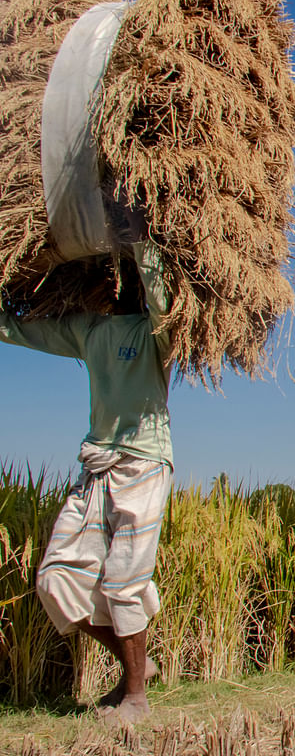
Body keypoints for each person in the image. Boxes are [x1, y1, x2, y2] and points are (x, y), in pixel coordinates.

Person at [1, 241, 171, 724]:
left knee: (123, 583)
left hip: (144, 466)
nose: (125, 284)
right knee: (56, 579)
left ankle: (136, 697)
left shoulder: (156, 333)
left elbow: (164, 302)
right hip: (96, 467)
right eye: (119, 274)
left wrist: (142, 242)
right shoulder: (89, 332)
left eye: (132, 275)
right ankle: (135, 665)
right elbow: (21, 331)